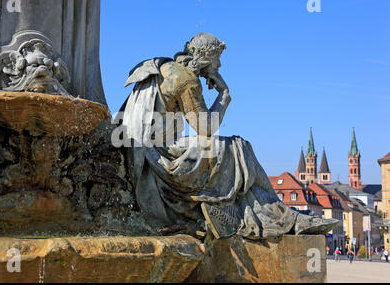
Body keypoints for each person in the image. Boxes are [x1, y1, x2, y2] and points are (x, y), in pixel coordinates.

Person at [116, 33, 338, 238]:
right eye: (217, 59)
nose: (219, 65)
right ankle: (284, 218)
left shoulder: (163, 67)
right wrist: (224, 94)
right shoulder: (186, 79)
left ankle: (274, 216)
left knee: (235, 158)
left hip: (141, 156)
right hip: (161, 161)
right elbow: (206, 128)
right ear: (205, 57)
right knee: (239, 148)